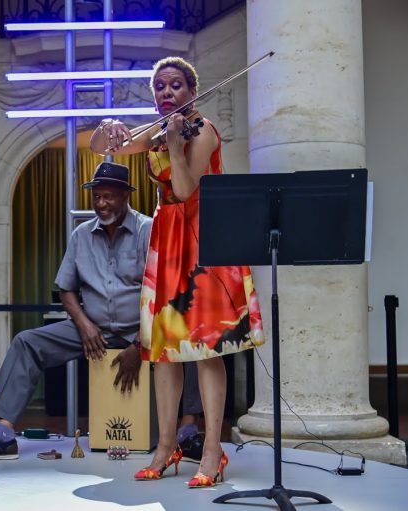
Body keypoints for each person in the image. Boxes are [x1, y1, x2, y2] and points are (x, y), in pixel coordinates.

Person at [90, 56, 264, 488]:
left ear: (191, 91)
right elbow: (101, 146)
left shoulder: (201, 131)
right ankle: (165, 447)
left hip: (205, 239)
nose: (166, 93)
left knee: (206, 349)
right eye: (160, 87)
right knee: (164, 352)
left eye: (175, 86)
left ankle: (211, 451)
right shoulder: (157, 130)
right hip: (168, 240)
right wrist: (108, 125)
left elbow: (185, 189)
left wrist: (171, 144)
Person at [0, 161, 152, 460]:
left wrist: (139, 342)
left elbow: (163, 292)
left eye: (108, 196)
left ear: (125, 196)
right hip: (94, 329)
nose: (101, 203)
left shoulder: (149, 230)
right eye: (96, 196)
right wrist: (83, 323)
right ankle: (3, 436)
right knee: (26, 342)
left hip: (143, 329)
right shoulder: (81, 235)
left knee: (190, 346)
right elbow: (65, 289)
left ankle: (188, 433)